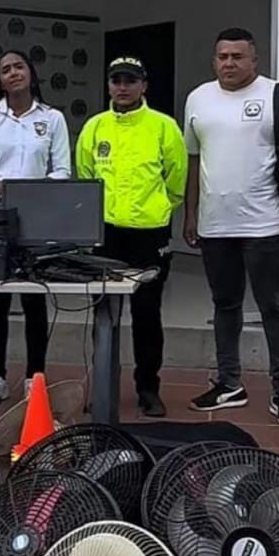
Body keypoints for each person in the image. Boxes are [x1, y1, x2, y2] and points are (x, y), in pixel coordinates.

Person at [182, 27, 279, 427]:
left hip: (267, 225)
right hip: (215, 226)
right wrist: (191, 214)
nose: (229, 63)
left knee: (273, 307)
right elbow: (194, 161)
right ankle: (229, 384)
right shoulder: (198, 98)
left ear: (254, 60)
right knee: (225, 306)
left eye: (238, 56)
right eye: (222, 56)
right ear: (214, 60)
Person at [75, 57, 186, 418]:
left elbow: (176, 179)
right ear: (109, 85)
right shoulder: (95, 127)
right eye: (116, 80)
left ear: (143, 86)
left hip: (149, 234)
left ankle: (148, 389)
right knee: (104, 312)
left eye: (130, 81)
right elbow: (85, 176)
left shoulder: (164, 126)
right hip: (106, 234)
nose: (122, 87)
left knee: (147, 313)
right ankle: (103, 386)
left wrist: (158, 208)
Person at [0, 49, 71, 409]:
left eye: (19, 66)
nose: (13, 73)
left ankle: (33, 380)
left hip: (37, 218)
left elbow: (62, 171)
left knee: (34, 299)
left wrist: (32, 191)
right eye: (5, 69)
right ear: (0, 80)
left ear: (31, 73)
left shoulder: (52, 119)